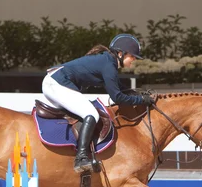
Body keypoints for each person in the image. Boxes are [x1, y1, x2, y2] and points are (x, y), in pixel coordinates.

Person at [42, 33, 154, 173]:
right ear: (120, 53)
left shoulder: (108, 62)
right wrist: (141, 100)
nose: (133, 60)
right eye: (132, 56)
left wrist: (139, 94)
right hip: (57, 83)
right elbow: (117, 98)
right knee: (91, 114)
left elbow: (121, 88)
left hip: (55, 81)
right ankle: (81, 157)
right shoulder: (108, 65)